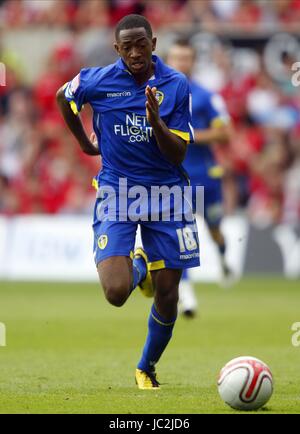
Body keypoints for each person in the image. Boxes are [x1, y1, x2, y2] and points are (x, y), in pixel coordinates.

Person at [56, 15, 200, 390]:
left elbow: (178, 154)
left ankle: (146, 367)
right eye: (127, 46)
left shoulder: (175, 84)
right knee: (116, 293)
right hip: (117, 193)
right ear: (117, 48)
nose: (136, 53)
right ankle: (139, 267)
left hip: (168, 194)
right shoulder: (97, 80)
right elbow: (63, 97)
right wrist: (85, 143)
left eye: (142, 44)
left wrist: (157, 123)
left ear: (154, 43)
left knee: (168, 293)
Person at [167, 39, 233, 317]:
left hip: (206, 177)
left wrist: (190, 136)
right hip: (174, 178)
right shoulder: (157, 94)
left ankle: (222, 258)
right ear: (168, 61)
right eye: (176, 58)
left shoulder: (206, 96)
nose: (181, 63)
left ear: (193, 62)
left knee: (214, 228)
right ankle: (187, 295)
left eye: (186, 58)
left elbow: (225, 133)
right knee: (181, 235)